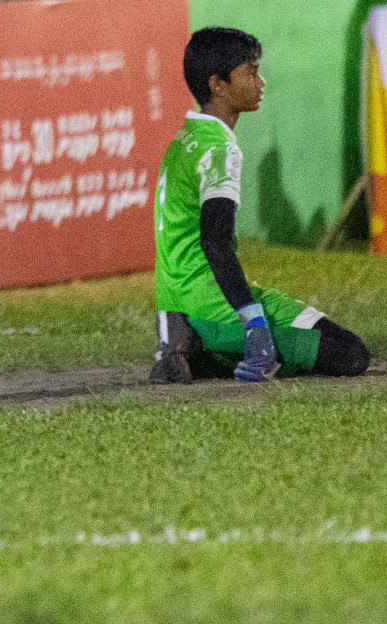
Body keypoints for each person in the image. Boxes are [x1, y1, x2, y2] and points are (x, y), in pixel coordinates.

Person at [150, 27, 371, 384]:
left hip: (183, 301)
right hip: (211, 306)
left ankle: (182, 341)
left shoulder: (183, 140)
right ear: (218, 85)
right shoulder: (220, 149)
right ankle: (200, 348)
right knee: (350, 354)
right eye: (251, 72)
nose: (261, 82)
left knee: (335, 337)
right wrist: (254, 324)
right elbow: (215, 242)